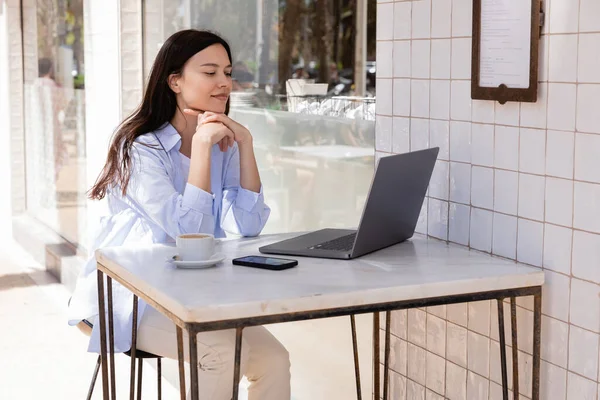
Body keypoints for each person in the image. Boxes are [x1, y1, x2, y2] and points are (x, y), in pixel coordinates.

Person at [67, 30, 291, 400]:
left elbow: (248, 226)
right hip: (133, 296)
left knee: (273, 359)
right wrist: (201, 147)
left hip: (196, 291)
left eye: (227, 72)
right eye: (210, 72)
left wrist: (246, 144)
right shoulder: (139, 147)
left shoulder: (225, 141)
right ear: (175, 81)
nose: (224, 83)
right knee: (220, 350)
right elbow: (191, 234)